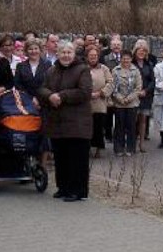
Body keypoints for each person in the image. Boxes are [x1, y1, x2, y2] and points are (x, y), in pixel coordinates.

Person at [37, 40, 92, 202]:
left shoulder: (82, 70)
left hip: (78, 123)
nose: (66, 55)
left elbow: (84, 92)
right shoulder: (51, 70)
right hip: (58, 122)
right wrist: (49, 96)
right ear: (58, 54)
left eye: (69, 52)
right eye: (63, 52)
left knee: (77, 158)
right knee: (61, 157)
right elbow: (42, 88)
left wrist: (61, 96)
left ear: (74, 54)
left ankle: (77, 190)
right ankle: (63, 187)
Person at [111, 50, 142, 156]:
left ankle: (130, 148)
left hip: (132, 103)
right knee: (119, 126)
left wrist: (129, 98)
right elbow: (113, 87)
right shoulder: (116, 70)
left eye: (128, 58)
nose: (126, 60)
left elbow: (138, 88)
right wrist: (120, 99)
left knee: (131, 126)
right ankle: (118, 148)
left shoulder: (136, 71)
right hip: (119, 103)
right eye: (124, 58)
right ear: (121, 59)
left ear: (131, 59)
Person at [86, 45, 113, 158]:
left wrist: (101, 93)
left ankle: (98, 149)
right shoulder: (83, 68)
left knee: (98, 127)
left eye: (95, 55)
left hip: (100, 102)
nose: (93, 57)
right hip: (86, 103)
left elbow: (110, 83)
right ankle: (87, 148)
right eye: (91, 55)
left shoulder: (104, 68)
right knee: (87, 127)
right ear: (87, 56)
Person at [133, 42, 155, 152]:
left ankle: (141, 144)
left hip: (146, 96)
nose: (141, 53)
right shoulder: (131, 64)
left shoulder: (149, 65)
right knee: (133, 120)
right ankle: (131, 142)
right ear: (135, 52)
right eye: (139, 51)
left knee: (143, 121)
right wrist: (137, 91)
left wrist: (146, 91)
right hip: (134, 96)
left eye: (144, 51)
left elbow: (152, 81)